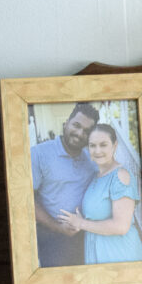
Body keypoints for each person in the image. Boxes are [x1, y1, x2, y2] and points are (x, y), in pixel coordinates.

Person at [57, 124, 142, 264]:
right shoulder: (95, 176)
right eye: (92, 145)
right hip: (97, 252)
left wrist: (81, 223)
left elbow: (121, 226)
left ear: (114, 145)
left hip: (120, 255)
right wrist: (80, 219)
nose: (97, 151)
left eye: (103, 144)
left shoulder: (121, 176)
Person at [31, 103, 98, 267]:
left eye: (87, 131)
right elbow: (27, 200)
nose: (80, 133)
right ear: (66, 123)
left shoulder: (92, 158)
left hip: (87, 233)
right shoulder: (39, 153)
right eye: (76, 125)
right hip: (53, 235)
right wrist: (58, 228)